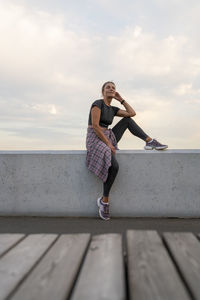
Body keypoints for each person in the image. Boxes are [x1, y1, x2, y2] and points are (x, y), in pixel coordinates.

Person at [86, 81, 168, 221]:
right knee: (114, 166)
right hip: (96, 138)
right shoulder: (97, 104)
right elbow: (95, 126)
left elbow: (132, 113)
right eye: (108, 87)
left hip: (108, 136)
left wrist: (121, 99)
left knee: (127, 120)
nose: (111, 89)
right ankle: (104, 201)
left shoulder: (112, 109)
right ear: (103, 91)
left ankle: (149, 141)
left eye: (113, 88)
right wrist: (108, 144)